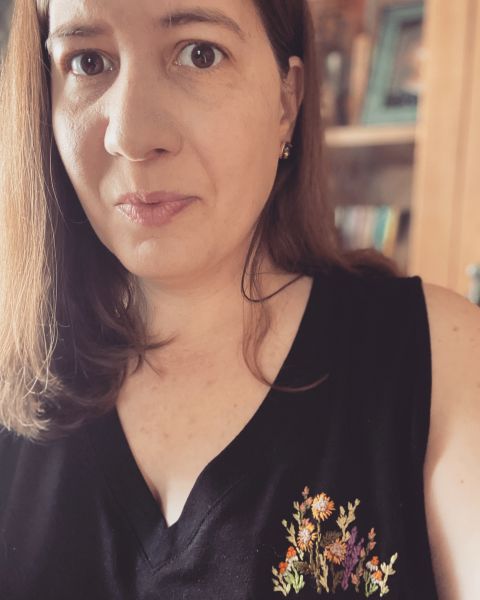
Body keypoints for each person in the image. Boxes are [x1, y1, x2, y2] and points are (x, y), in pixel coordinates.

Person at [0, 0, 478, 598]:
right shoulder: (11, 380)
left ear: (287, 100)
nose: (131, 134)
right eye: (88, 60)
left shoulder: (441, 357)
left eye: (199, 54)